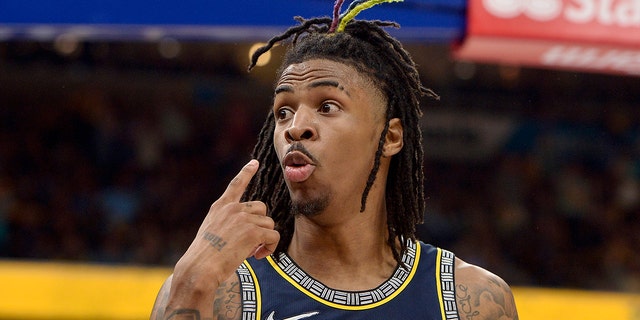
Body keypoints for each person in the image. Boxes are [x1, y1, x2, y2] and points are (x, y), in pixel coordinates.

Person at [150, 0, 519, 319]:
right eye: (283, 112)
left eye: (327, 106)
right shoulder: (220, 294)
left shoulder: (471, 300)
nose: (296, 127)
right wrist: (191, 285)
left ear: (390, 137)